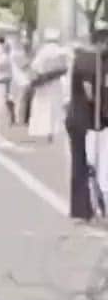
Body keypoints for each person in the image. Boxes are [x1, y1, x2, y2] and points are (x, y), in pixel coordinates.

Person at [65, 31, 108, 221]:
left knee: (79, 165)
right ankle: (90, 205)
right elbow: (91, 94)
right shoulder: (91, 61)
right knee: (89, 164)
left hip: (79, 119)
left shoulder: (84, 59)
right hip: (89, 122)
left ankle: (81, 210)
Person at [28, 28, 67, 142]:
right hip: (56, 82)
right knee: (56, 106)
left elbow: (34, 67)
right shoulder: (61, 51)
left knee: (43, 106)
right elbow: (65, 67)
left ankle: (44, 131)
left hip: (44, 83)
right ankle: (55, 130)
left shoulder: (42, 52)